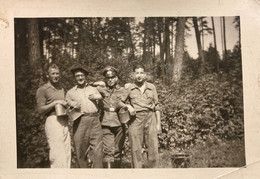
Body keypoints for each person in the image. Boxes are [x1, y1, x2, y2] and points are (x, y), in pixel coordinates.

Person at [94, 66, 135, 168]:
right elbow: (86, 86)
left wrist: (130, 85)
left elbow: (135, 88)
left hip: (119, 121)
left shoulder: (123, 89)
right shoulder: (100, 89)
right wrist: (95, 83)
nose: (110, 80)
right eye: (108, 78)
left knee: (118, 149)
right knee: (108, 150)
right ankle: (109, 173)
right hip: (105, 121)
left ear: (116, 78)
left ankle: (117, 172)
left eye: (112, 77)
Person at [123, 64, 161, 168]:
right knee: (136, 148)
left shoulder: (152, 87)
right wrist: (128, 106)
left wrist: (158, 124)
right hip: (135, 119)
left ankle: (153, 173)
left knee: (153, 147)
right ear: (133, 75)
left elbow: (157, 106)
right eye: (137, 73)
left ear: (145, 74)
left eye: (141, 73)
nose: (139, 75)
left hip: (150, 117)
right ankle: (137, 173)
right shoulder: (129, 88)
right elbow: (119, 102)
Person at [66, 64, 103, 168]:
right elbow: (67, 109)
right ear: (74, 77)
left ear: (86, 76)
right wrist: (71, 104)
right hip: (79, 121)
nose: (80, 78)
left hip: (95, 120)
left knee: (98, 151)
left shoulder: (94, 89)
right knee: (80, 150)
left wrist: (99, 97)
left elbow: (105, 95)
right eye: (77, 76)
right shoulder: (70, 92)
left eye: (82, 75)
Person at [36, 63, 71, 168]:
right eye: (53, 74)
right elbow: (40, 110)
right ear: (48, 75)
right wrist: (55, 103)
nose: (56, 76)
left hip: (64, 120)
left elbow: (63, 104)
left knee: (67, 153)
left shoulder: (61, 89)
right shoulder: (43, 89)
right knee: (57, 154)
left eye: (57, 74)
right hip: (52, 121)